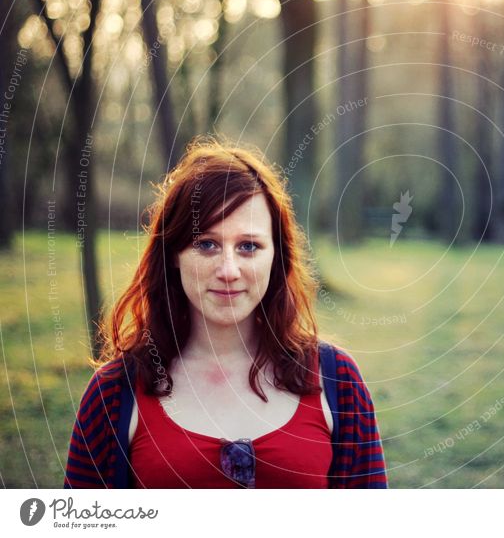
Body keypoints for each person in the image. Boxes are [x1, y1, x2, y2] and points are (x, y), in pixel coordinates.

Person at [63, 138, 387, 488]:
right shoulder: (114, 393)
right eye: (207, 244)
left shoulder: (338, 381)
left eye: (249, 246)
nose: (228, 269)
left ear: (277, 256)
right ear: (173, 254)